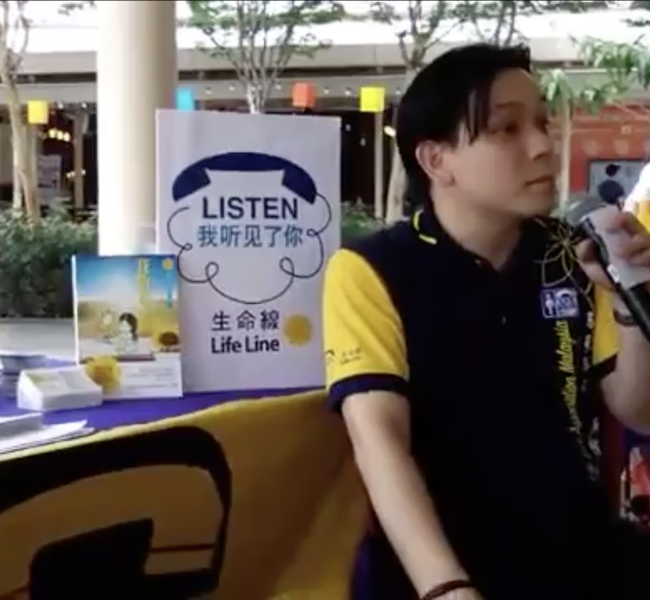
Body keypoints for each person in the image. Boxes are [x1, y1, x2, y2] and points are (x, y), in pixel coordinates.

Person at [322, 43, 650, 600]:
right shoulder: (371, 269)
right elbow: (380, 441)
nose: (543, 146)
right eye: (507, 129)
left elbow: (636, 408)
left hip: (584, 559)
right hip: (439, 568)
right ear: (436, 160)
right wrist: (446, 587)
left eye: (542, 124)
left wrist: (628, 295)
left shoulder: (574, 254)